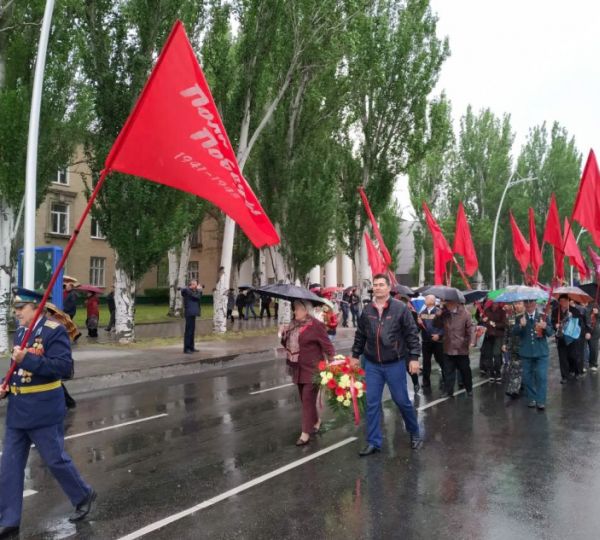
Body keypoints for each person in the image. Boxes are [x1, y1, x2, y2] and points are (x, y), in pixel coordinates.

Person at [0, 289, 96, 537]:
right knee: (9, 466)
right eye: (16, 308)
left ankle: (83, 494)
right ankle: (8, 520)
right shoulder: (21, 332)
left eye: (22, 308)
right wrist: (5, 385)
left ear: (37, 308)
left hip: (43, 409)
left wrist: (27, 360)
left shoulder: (54, 331)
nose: (17, 313)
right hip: (18, 412)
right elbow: (16, 371)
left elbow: (64, 369)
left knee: (54, 460)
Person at [351, 273, 423, 456]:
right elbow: (360, 334)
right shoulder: (367, 310)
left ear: (389, 287)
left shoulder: (400, 309)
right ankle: (373, 442)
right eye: (375, 285)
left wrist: (414, 357)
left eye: (381, 284)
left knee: (402, 401)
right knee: (372, 403)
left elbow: (412, 334)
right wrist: (354, 355)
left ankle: (415, 432)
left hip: (394, 363)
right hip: (372, 364)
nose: (378, 287)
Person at [281, 300, 334, 446]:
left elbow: (327, 345)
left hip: (313, 369)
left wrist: (333, 362)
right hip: (297, 367)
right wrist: (283, 334)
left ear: (306, 310)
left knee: (307, 399)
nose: (294, 311)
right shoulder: (292, 324)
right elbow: (286, 344)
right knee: (305, 400)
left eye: (297, 309)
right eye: (294, 308)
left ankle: (305, 433)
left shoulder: (316, 325)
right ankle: (316, 421)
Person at [513, 299, 554, 410]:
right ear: (524, 304)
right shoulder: (519, 317)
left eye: (531, 302)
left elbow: (551, 333)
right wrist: (520, 326)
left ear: (535, 303)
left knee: (541, 376)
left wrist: (545, 326)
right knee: (527, 378)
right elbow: (514, 332)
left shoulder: (543, 316)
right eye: (526, 303)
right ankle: (531, 398)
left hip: (541, 352)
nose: (529, 305)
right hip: (526, 352)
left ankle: (541, 401)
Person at [435, 299, 475, 397]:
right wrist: (437, 316)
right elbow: (436, 325)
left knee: (465, 370)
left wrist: (472, 341)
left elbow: (471, 329)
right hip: (448, 347)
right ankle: (449, 391)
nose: (446, 304)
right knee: (448, 371)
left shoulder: (465, 313)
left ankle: (469, 388)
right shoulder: (444, 313)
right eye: (445, 302)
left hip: (461, 347)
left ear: (454, 302)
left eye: (447, 302)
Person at [552, 294, 588, 382]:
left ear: (568, 301)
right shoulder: (556, 311)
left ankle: (576, 371)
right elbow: (552, 321)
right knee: (562, 357)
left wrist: (572, 318)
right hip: (561, 337)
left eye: (565, 301)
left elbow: (580, 323)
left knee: (573, 356)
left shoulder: (575, 311)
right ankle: (564, 376)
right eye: (561, 301)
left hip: (572, 337)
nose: (563, 303)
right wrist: (555, 325)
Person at [418, 294, 444, 390]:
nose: (425, 300)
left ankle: (446, 379)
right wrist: (419, 323)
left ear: (432, 301)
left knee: (441, 360)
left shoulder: (439, 312)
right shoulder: (422, 312)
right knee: (426, 362)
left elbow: (444, 326)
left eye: (427, 298)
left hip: (437, 341)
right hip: (426, 341)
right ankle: (426, 382)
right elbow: (420, 328)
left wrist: (439, 335)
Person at [479, 301, 506, 383]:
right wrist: (482, 319)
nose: (495, 304)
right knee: (488, 356)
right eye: (494, 303)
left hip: (498, 336)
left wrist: (495, 324)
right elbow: (482, 321)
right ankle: (491, 373)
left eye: (497, 303)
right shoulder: (487, 310)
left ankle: (497, 372)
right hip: (488, 336)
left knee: (497, 354)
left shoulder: (502, 312)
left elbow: (504, 324)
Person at [503, 301, 525, 398]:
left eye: (519, 303)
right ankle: (514, 388)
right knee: (513, 368)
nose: (517, 305)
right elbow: (507, 331)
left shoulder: (526, 317)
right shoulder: (511, 317)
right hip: (513, 346)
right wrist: (504, 343)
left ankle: (515, 389)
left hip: (524, 347)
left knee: (520, 368)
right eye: (515, 303)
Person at [181, 280, 201, 353]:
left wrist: (198, 290)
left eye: (196, 285)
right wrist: (199, 290)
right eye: (195, 285)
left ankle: (191, 347)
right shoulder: (188, 291)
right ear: (191, 285)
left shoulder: (192, 291)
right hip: (189, 313)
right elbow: (197, 297)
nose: (196, 286)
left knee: (192, 331)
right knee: (188, 331)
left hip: (192, 313)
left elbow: (198, 296)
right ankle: (186, 349)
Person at [585, 303, 600, 373]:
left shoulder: (595, 305)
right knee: (582, 349)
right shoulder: (578, 302)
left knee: (594, 348)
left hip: (594, 331)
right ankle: (583, 364)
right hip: (584, 329)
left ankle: (593, 364)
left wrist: (597, 313)